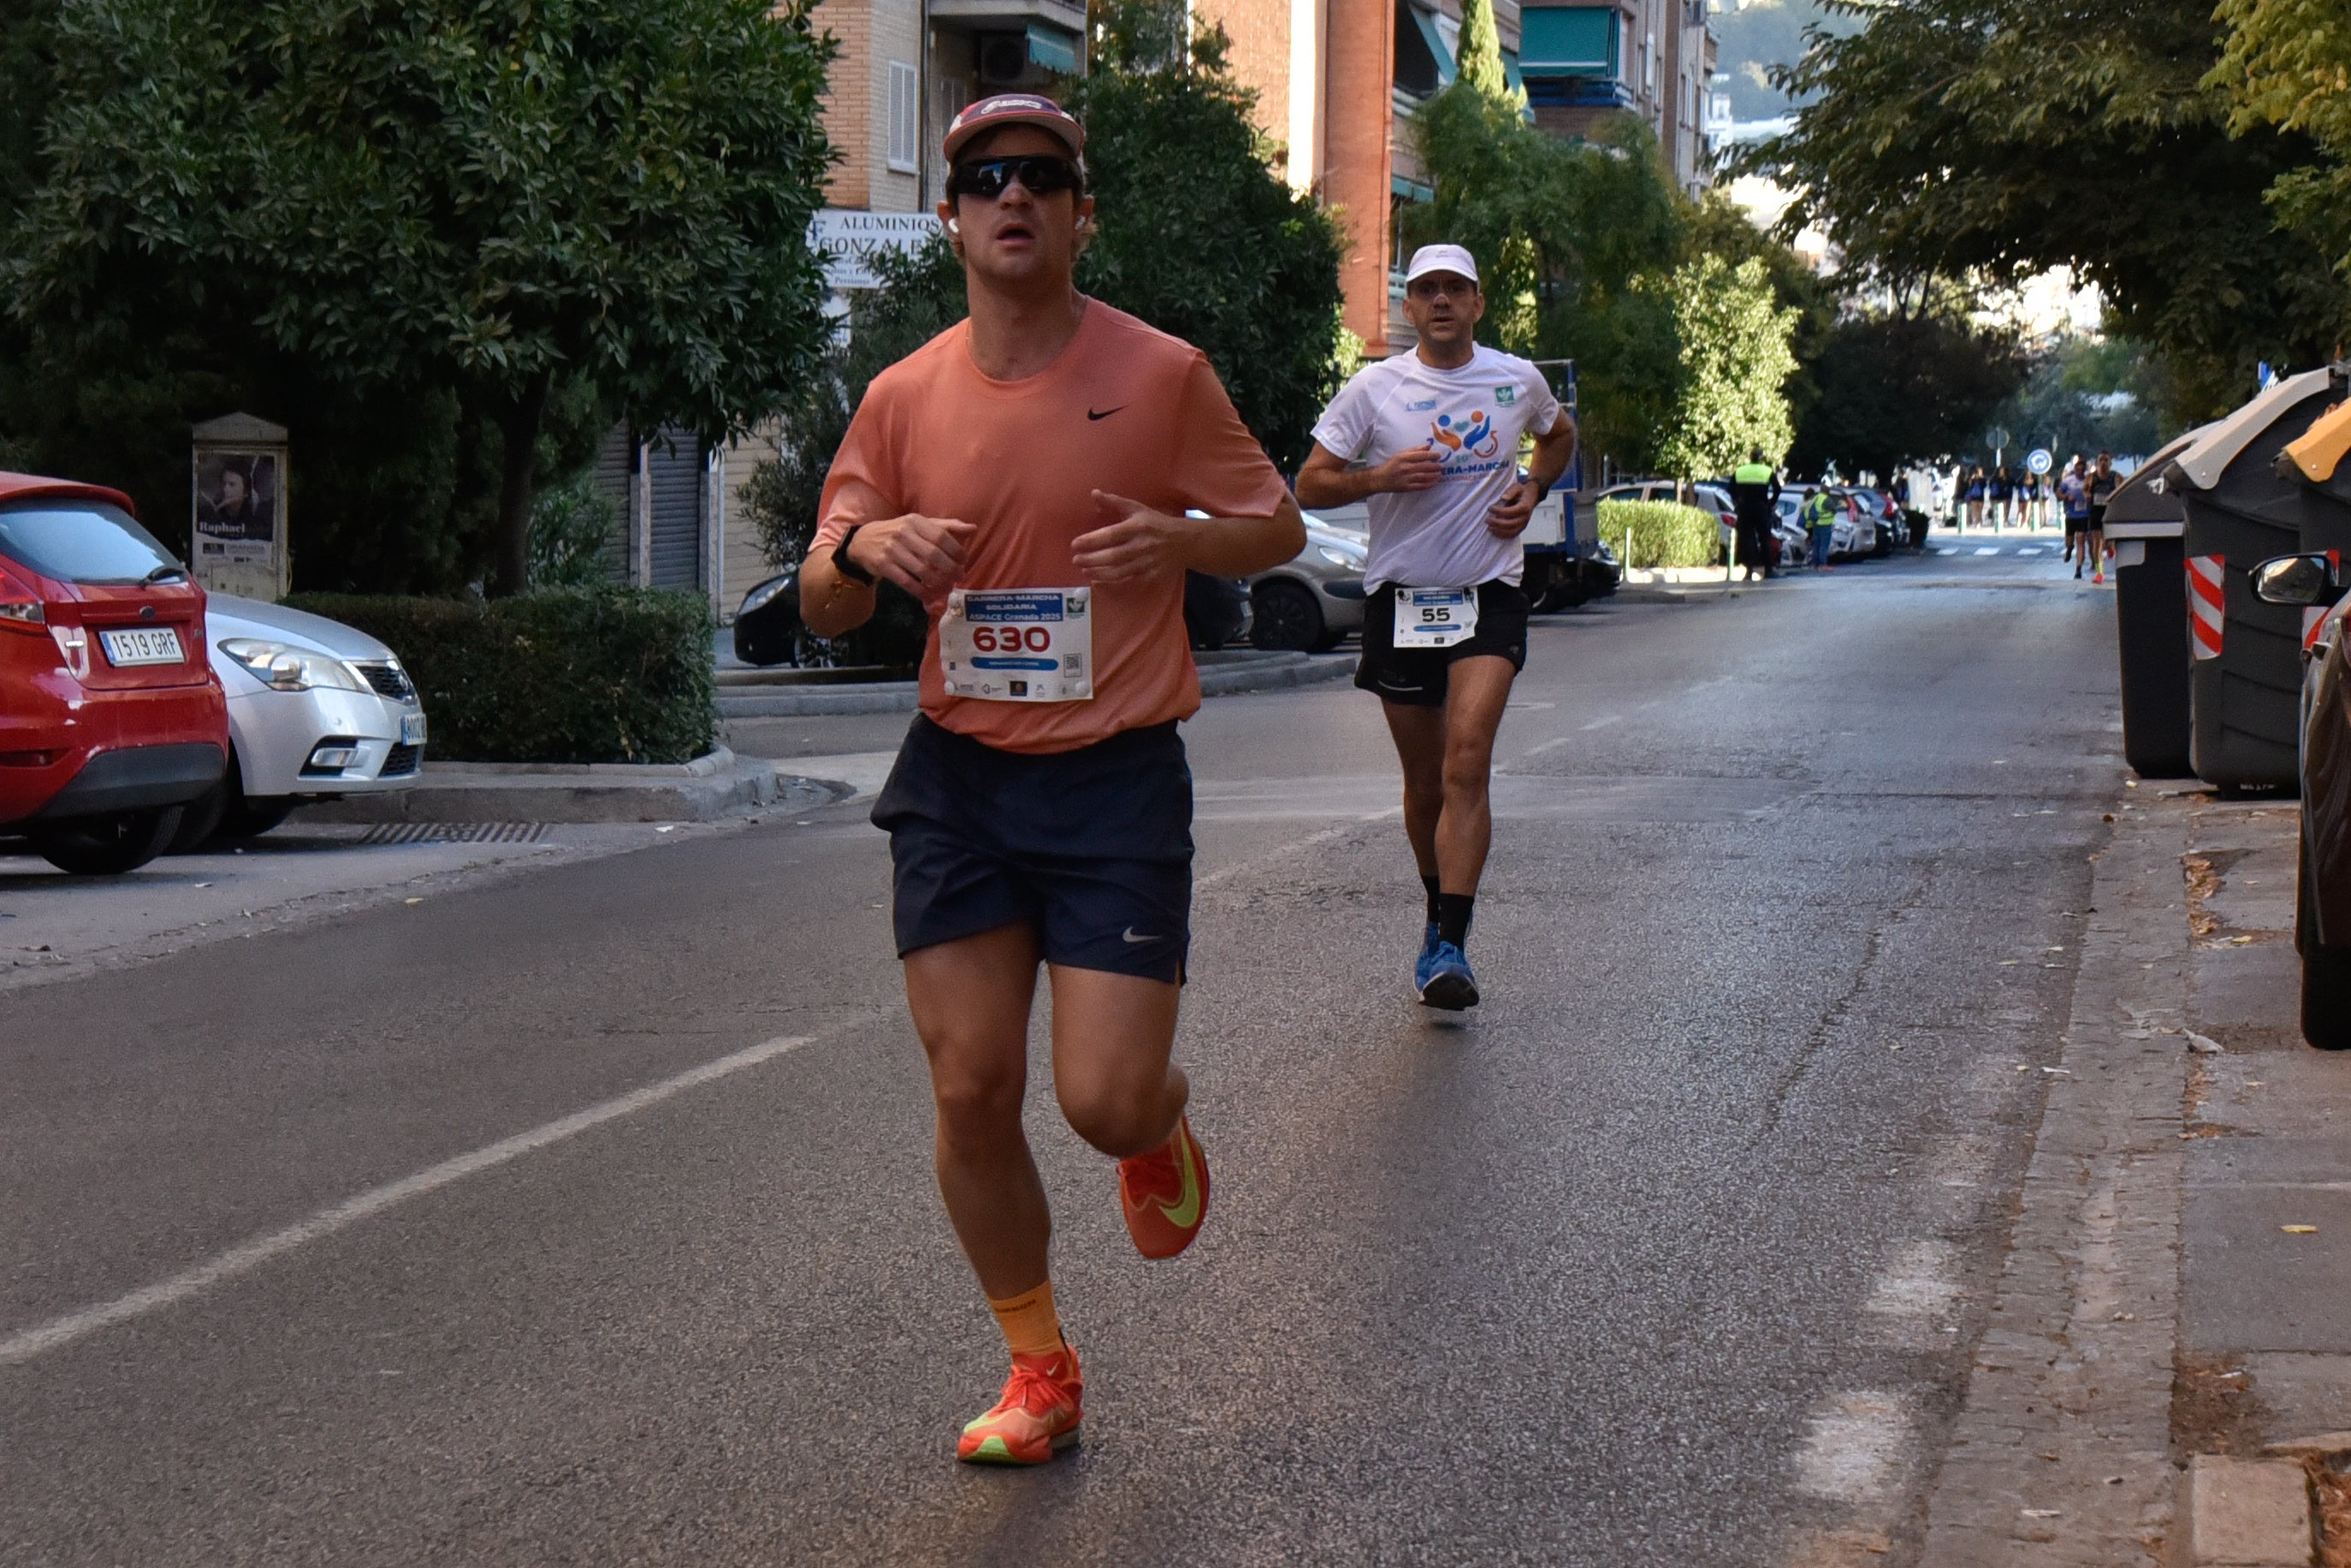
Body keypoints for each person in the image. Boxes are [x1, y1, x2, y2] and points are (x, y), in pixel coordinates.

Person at [797, 92, 1304, 1467]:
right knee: (970, 1088)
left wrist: (1182, 546)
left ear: (1081, 213)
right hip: (959, 776)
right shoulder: (901, 397)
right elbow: (821, 596)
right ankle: (1039, 1369)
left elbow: (1278, 522)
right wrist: (862, 552)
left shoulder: (1163, 373)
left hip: (1117, 780)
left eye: (1040, 177)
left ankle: (1160, 1127)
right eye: (983, 178)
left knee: (1100, 1099)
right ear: (953, 219)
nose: (1010, 196)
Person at [1294, 243, 1578, 1010]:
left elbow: (1559, 434)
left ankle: (1452, 942)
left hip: (1489, 592)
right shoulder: (1374, 388)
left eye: (1457, 288)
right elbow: (1310, 483)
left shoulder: (1515, 377)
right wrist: (1380, 476)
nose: (1442, 301)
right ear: (1409, 308)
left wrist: (1532, 484)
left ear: (1479, 303)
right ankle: (1434, 909)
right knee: (1423, 782)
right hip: (1402, 600)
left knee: (1466, 761)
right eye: (1427, 290)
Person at [1728, 447, 1781, 583]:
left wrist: (1737, 501)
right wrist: (1770, 502)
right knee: (1765, 539)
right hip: (1761, 508)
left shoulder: (1740, 470)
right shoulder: (1767, 471)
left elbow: (1730, 488)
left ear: (1750, 458)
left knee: (1747, 540)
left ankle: (1749, 571)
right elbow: (1777, 488)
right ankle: (1768, 570)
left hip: (1745, 508)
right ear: (1761, 458)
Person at [2087, 451, 2121, 585]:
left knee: (2110, 541)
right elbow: (2085, 489)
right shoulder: (2091, 477)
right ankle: (2100, 573)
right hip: (2096, 510)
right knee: (2097, 542)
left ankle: (2111, 546)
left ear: (2110, 463)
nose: (2103, 463)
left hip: (2110, 511)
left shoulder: (2116, 476)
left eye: (2106, 460)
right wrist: (2087, 495)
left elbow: (2121, 490)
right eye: (2101, 460)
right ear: (2097, 462)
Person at [2058, 457, 2090, 572]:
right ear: (2075, 469)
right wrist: (2066, 497)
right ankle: (2069, 549)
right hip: (2071, 515)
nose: (2080, 472)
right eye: (2078, 470)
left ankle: (2078, 569)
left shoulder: (2089, 480)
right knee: (2069, 541)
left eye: (2082, 470)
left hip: (2084, 515)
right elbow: (2059, 493)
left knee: (2081, 540)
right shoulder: (2068, 481)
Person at [1802, 485, 1839, 568]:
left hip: (1816, 524)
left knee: (1816, 545)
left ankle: (1815, 563)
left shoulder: (1816, 498)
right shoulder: (1826, 499)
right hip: (1825, 524)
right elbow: (1834, 510)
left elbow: (1809, 509)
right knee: (1824, 545)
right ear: (1827, 491)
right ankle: (1823, 564)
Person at [1963, 465, 1986, 532]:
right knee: (1978, 511)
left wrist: (1972, 479)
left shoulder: (1975, 479)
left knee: (1976, 511)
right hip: (1979, 497)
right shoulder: (1982, 479)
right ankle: (1977, 522)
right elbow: (1984, 486)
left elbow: (1970, 486)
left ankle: (1977, 522)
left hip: (1975, 497)